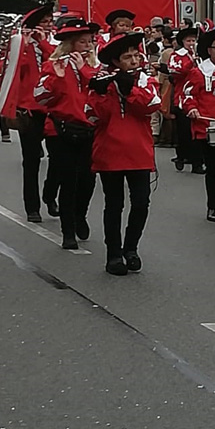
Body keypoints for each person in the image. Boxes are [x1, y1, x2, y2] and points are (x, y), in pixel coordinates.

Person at [87, 32, 161, 276]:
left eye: (135, 55)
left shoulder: (145, 81)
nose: (133, 60)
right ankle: (114, 254)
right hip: (110, 152)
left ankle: (131, 248)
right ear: (116, 63)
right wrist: (103, 92)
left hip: (138, 152)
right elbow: (94, 117)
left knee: (141, 203)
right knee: (114, 204)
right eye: (127, 57)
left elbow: (151, 106)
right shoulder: (103, 83)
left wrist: (130, 91)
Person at [34, 19, 101, 249]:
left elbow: (100, 89)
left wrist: (83, 69)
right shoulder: (53, 65)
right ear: (70, 44)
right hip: (61, 129)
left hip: (89, 129)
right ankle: (68, 229)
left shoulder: (95, 67)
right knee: (68, 180)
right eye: (81, 42)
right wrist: (57, 77)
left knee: (88, 179)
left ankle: (80, 214)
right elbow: (40, 97)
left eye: (88, 41)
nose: (86, 46)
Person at [180, 28, 215, 222]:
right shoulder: (199, 72)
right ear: (209, 50)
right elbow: (186, 95)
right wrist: (191, 109)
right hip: (207, 128)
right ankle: (213, 206)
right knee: (212, 167)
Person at [15, 4, 56, 223]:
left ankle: (50, 194)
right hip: (29, 110)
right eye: (45, 22)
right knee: (31, 161)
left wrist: (43, 42)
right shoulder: (22, 46)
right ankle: (32, 206)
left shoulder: (53, 44)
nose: (49, 25)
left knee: (57, 160)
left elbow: (55, 62)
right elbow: (16, 70)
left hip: (53, 109)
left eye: (50, 21)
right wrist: (25, 43)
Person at [168, 27, 204, 173]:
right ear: (182, 42)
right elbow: (175, 72)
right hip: (181, 97)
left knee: (197, 131)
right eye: (188, 40)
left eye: (193, 40)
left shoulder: (201, 55)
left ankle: (197, 162)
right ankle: (181, 155)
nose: (191, 43)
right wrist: (190, 63)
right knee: (184, 131)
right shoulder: (176, 55)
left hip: (198, 97)